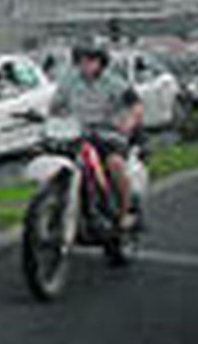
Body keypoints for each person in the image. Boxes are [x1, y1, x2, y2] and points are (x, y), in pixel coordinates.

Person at [53, 42, 142, 230]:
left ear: (101, 62)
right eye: (81, 60)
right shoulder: (69, 81)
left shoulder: (113, 82)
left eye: (91, 60)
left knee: (115, 164)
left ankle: (126, 211)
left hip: (108, 134)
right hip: (77, 133)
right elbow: (56, 106)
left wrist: (130, 121)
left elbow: (135, 105)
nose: (85, 65)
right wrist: (51, 117)